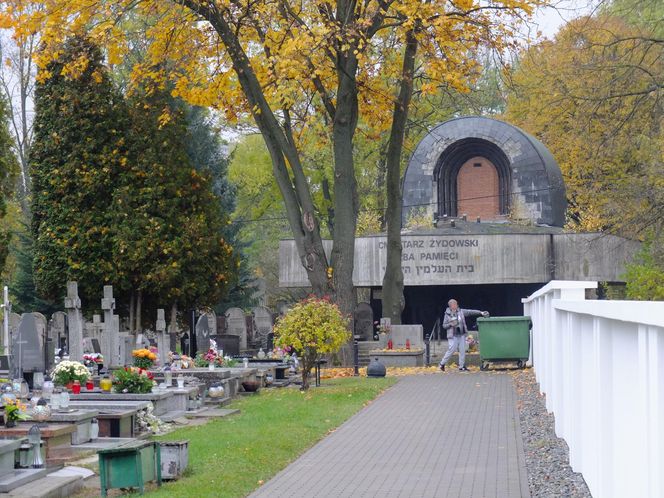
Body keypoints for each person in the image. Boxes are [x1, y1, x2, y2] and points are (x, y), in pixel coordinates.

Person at [439, 299, 489, 371]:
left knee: (462, 350)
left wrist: (480, 312)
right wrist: (451, 324)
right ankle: (442, 364)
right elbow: (444, 325)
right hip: (453, 335)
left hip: (461, 334)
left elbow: (470, 312)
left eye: (456, 304)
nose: (456, 305)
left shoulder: (460, 311)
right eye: (455, 304)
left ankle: (461, 366)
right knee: (452, 349)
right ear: (451, 306)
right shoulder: (447, 314)